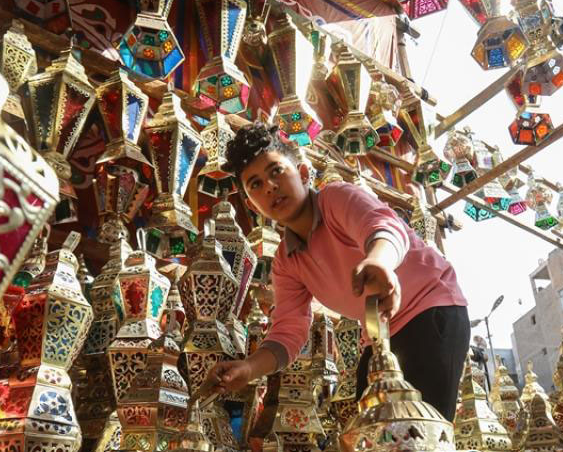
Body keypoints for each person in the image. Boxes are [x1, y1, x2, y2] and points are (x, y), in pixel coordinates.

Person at [200, 123, 470, 420]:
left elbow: (384, 228)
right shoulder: (286, 262)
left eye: (276, 171)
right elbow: (288, 332)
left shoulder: (336, 198)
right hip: (379, 337)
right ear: (253, 205)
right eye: (255, 184)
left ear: (303, 174)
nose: (269, 186)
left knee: (421, 437)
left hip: (431, 309)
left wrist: (379, 262)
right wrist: (248, 368)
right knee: (374, 445)